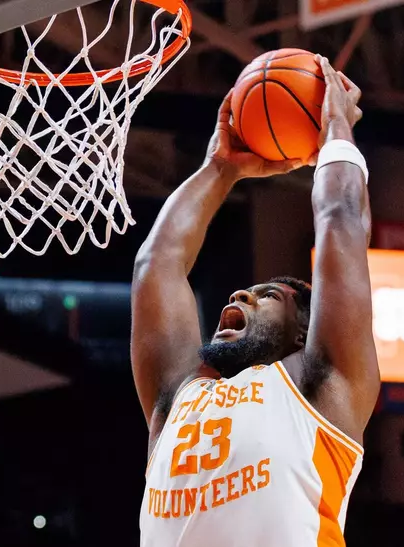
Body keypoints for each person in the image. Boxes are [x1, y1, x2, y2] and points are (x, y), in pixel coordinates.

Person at [134, 56, 377, 546]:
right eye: (247, 291)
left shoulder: (322, 387)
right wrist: (219, 169)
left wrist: (334, 127)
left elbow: (340, 217)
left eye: (268, 295)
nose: (242, 292)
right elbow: (156, 265)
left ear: (303, 330)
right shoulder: (178, 398)